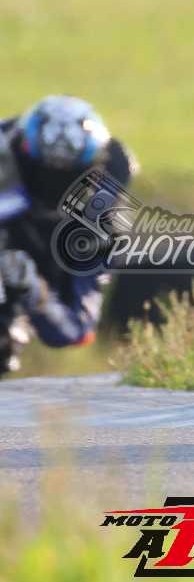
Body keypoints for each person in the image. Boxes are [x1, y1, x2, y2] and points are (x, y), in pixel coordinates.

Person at [0, 96, 136, 375]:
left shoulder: (100, 230)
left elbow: (76, 331)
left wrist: (33, 289)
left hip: (33, 280)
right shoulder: (6, 155)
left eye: (69, 177)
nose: (53, 186)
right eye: (41, 172)